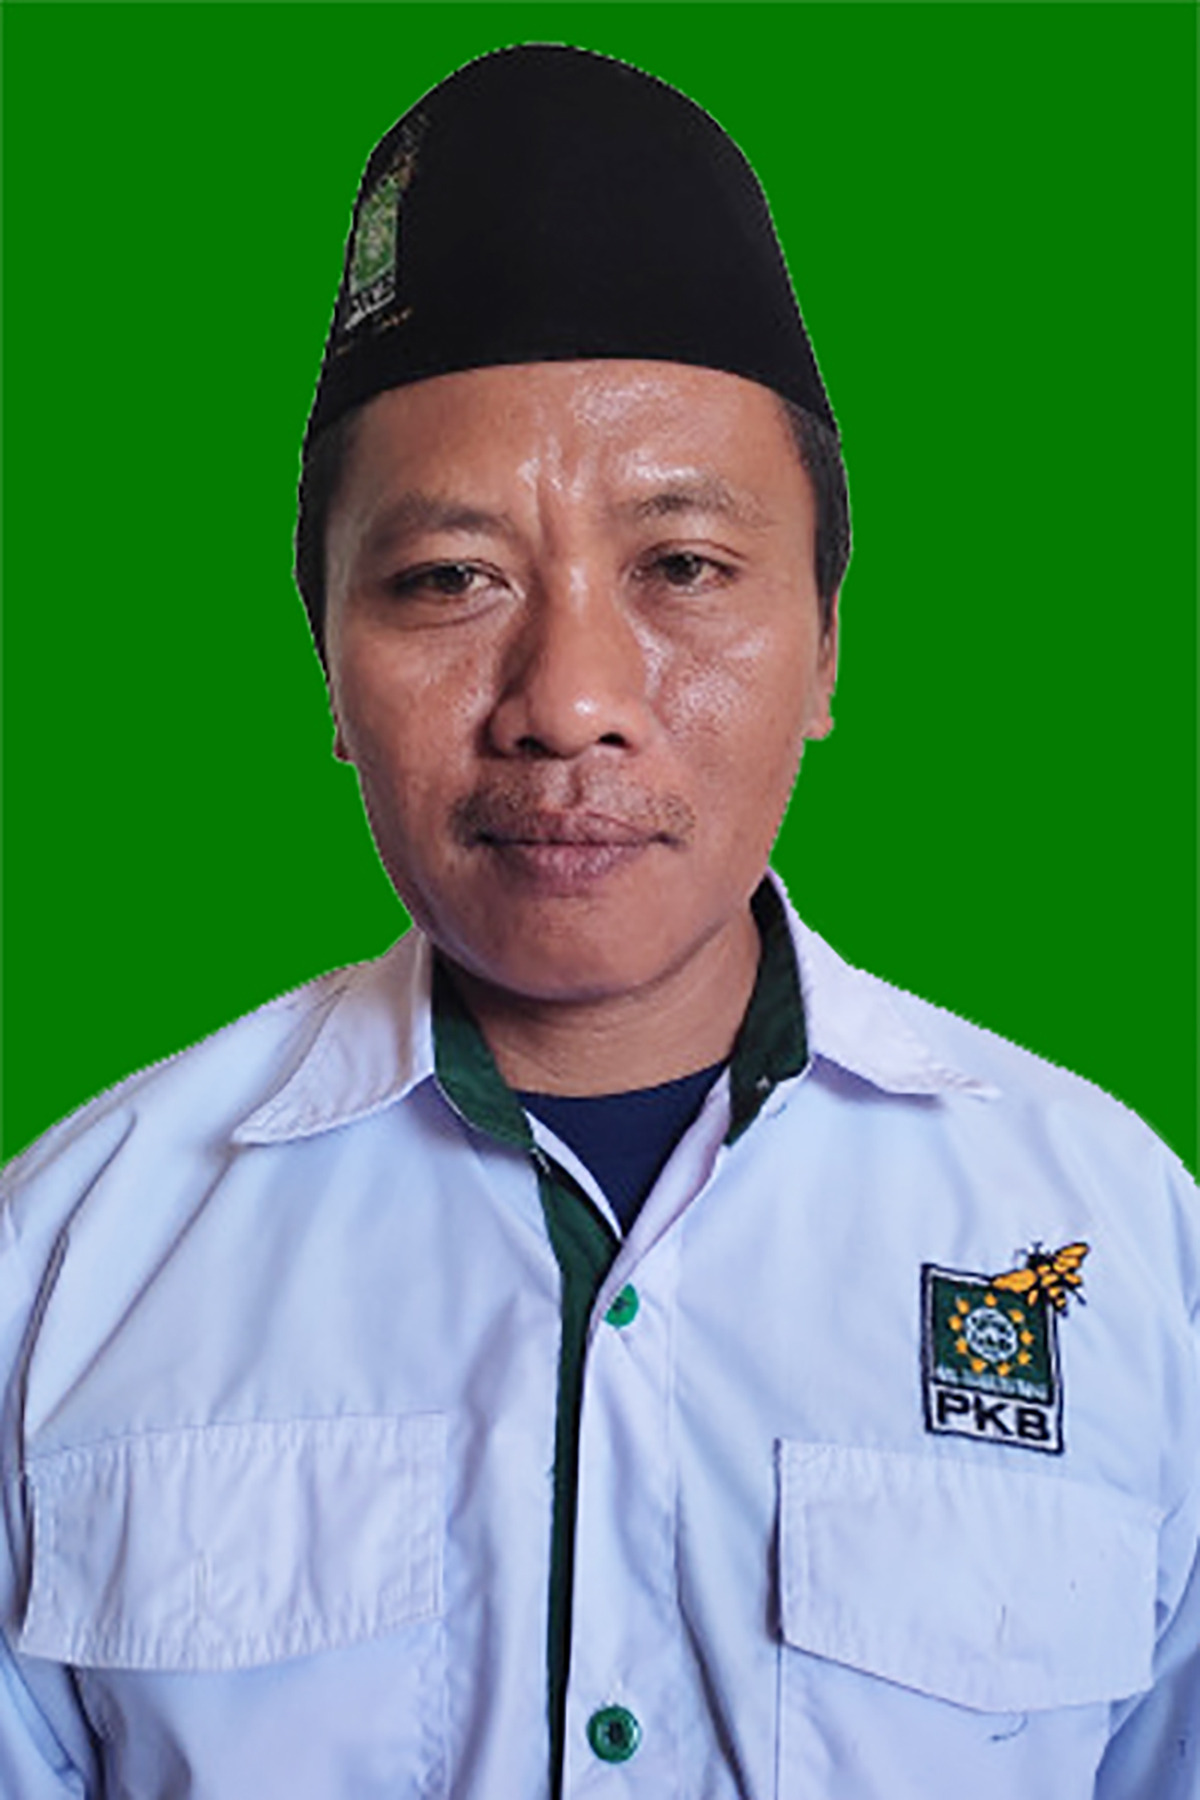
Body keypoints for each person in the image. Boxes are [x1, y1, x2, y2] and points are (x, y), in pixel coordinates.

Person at [0, 42, 1196, 1800]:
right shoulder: (69, 1264)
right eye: (448, 579)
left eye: (682, 568)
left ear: (827, 647)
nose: (568, 702)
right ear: (328, 660)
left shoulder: (1120, 1243)